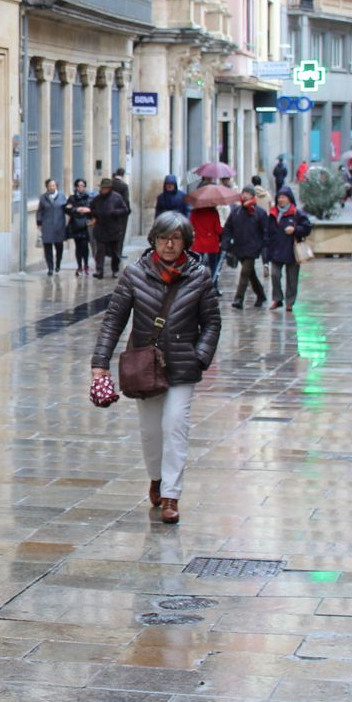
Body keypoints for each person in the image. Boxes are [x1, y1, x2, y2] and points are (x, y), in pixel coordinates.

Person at [90, 211, 222, 525]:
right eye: (163, 238)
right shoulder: (134, 274)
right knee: (150, 432)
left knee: (175, 425)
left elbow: (212, 323)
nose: (169, 245)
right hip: (145, 365)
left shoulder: (199, 276)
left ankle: (171, 495)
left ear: (185, 242)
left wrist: (199, 357)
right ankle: (157, 479)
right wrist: (100, 363)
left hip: (182, 365)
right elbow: (113, 320)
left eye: (176, 238)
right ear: (154, 240)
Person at [263, 188, 314, 311]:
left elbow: (307, 228)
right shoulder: (273, 213)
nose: (281, 200)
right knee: (275, 275)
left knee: (292, 278)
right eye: (279, 197)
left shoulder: (296, 213)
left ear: (289, 199)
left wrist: (295, 230)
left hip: (292, 250)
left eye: (283, 197)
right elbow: (268, 231)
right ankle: (277, 299)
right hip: (276, 249)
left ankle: (290, 302)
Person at [220, 188, 271, 309]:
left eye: (248, 193)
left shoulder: (259, 212)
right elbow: (228, 228)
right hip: (239, 247)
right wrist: (226, 243)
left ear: (253, 196)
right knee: (250, 274)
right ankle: (261, 295)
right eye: (243, 193)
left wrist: (263, 247)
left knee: (244, 273)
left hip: (253, 248)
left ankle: (238, 299)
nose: (245, 195)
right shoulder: (236, 212)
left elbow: (265, 231)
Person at [88, 178, 131, 279]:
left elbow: (125, 210)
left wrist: (115, 213)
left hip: (113, 228)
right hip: (100, 228)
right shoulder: (97, 199)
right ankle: (99, 270)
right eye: (103, 188)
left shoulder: (117, 197)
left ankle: (115, 269)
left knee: (115, 252)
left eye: (106, 188)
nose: (104, 190)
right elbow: (91, 209)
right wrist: (94, 214)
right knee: (100, 251)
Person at [36, 178, 69, 275]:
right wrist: (39, 223)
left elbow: (66, 208)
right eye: (50, 186)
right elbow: (40, 211)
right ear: (47, 187)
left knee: (59, 246)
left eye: (53, 185)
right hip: (47, 225)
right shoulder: (43, 197)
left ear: (56, 186)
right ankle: (50, 267)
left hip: (59, 225)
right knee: (47, 247)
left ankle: (58, 264)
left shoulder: (62, 196)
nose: (52, 187)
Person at [66, 178, 94, 275]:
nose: (80, 187)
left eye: (82, 185)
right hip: (76, 225)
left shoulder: (89, 198)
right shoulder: (72, 198)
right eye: (78, 185)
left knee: (85, 246)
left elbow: (94, 209)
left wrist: (88, 210)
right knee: (78, 246)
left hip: (86, 225)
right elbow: (67, 209)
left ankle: (86, 265)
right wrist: (77, 210)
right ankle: (79, 266)